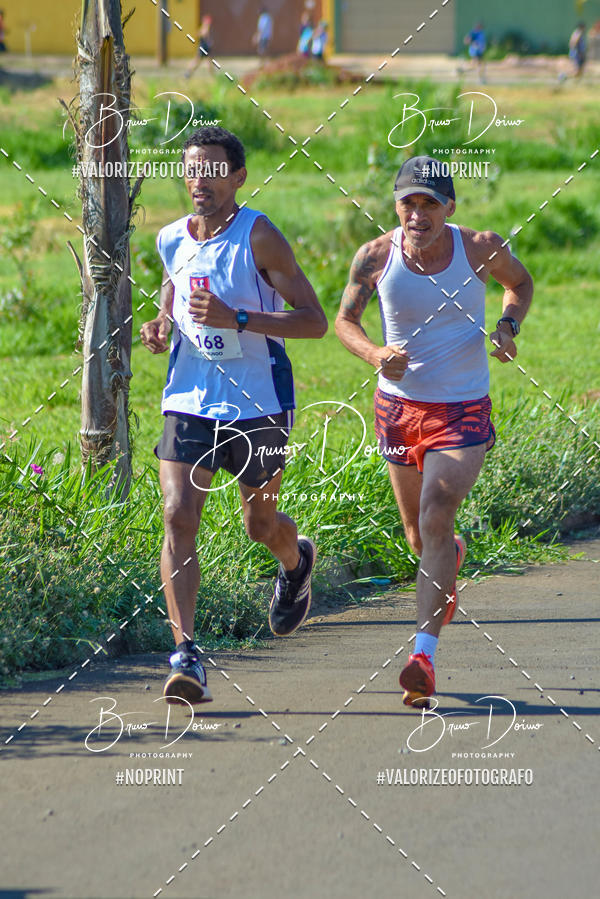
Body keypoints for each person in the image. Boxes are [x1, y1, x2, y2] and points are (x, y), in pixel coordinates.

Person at [335, 156, 533, 709]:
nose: (417, 214)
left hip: (462, 407)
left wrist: (508, 326)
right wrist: (375, 353)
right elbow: (344, 322)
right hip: (398, 410)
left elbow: (519, 283)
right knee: (420, 538)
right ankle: (450, 555)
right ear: (396, 205)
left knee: (436, 513)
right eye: (408, 203)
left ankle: (422, 658)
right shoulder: (375, 256)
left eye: (429, 203)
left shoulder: (480, 248)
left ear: (450, 207)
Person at [140, 126, 328, 705]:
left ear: (238, 177)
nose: (200, 180)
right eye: (192, 169)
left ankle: (296, 563)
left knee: (259, 526)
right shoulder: (171, 238)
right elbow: (174, 288)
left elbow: (314, 320)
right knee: (178, 514)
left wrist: (238, 319)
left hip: (258, 401)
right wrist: (162, 323)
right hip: (189, 398)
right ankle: (186, 656)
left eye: (213, 170)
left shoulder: (259, 237)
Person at [184, 15, 213, 79]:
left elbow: (200, 34)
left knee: (208, 62)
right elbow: (201, 34)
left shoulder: (205, 28)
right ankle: (188, 72)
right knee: (197, 62)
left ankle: (212, 77)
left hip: (205, 48)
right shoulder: (204, 28)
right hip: (203, 47)